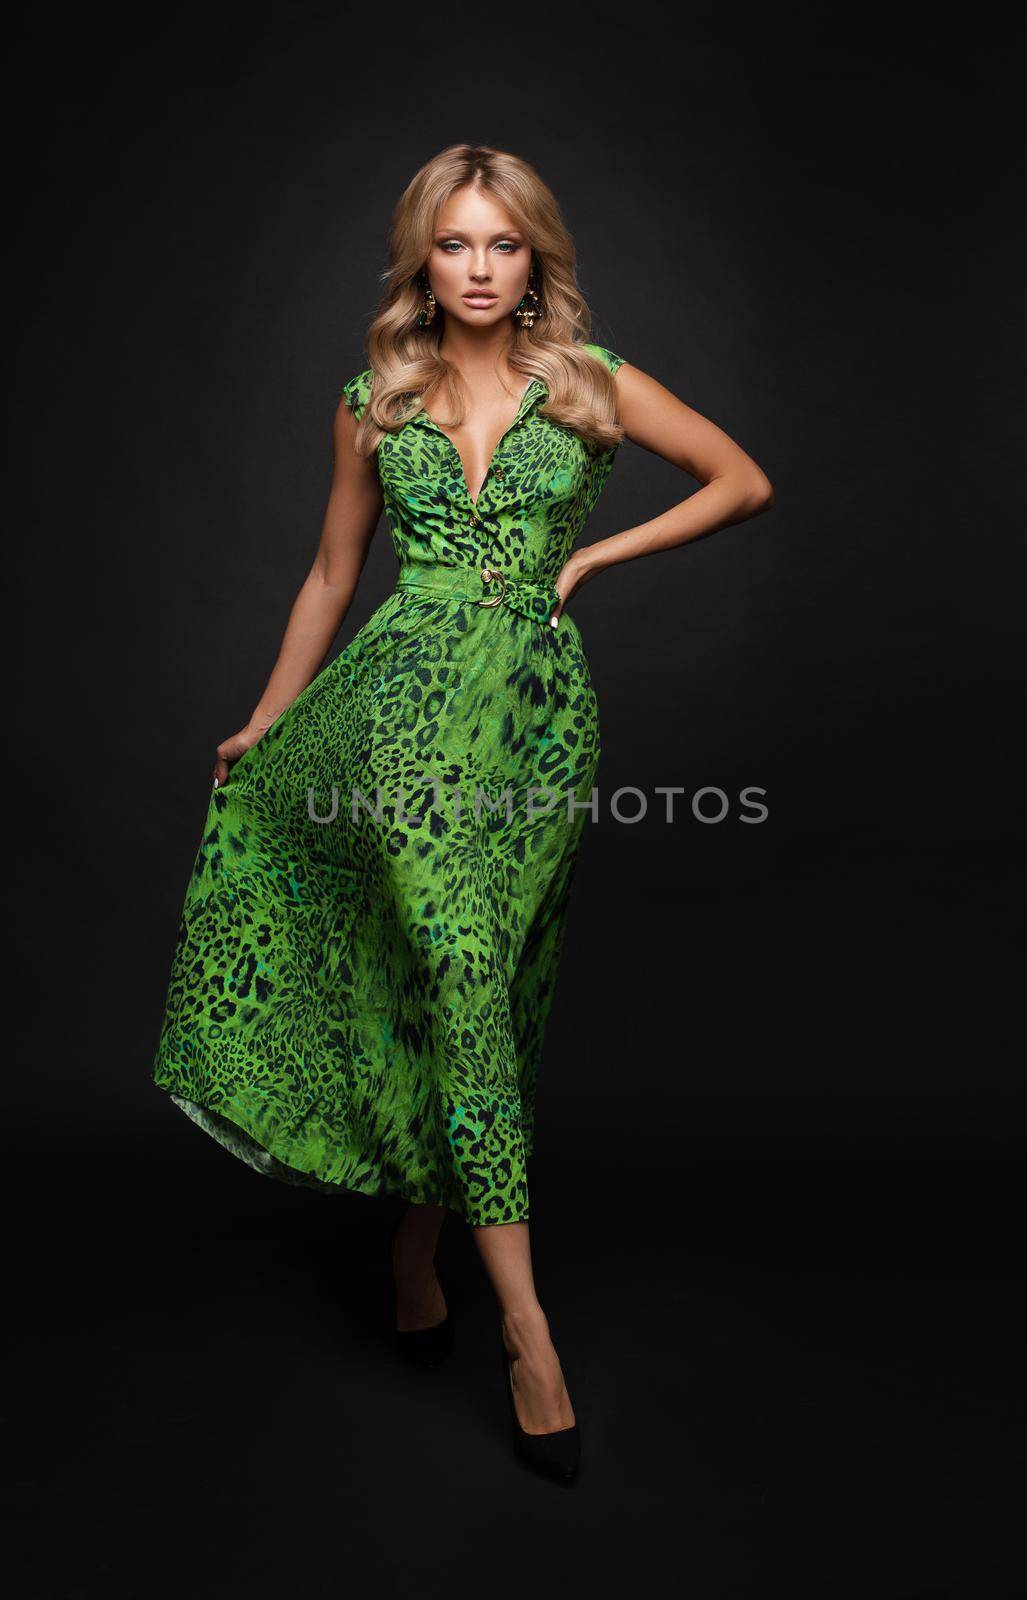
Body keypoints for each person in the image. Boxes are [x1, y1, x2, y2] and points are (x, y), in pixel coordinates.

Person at [152, 142, 773, 1482]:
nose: (481, 269)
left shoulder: (593, 385)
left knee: (492, 983)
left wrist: (599, 550)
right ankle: (530, 1333)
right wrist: (268, 718)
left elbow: (742, 479)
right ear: (420, 260)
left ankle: (421, 1246)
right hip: (403, 710)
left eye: (504, 245)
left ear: (534, 256)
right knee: (462, 974)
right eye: (455, 245)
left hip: (539, 724)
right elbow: (330, 575)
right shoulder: (375, 398)